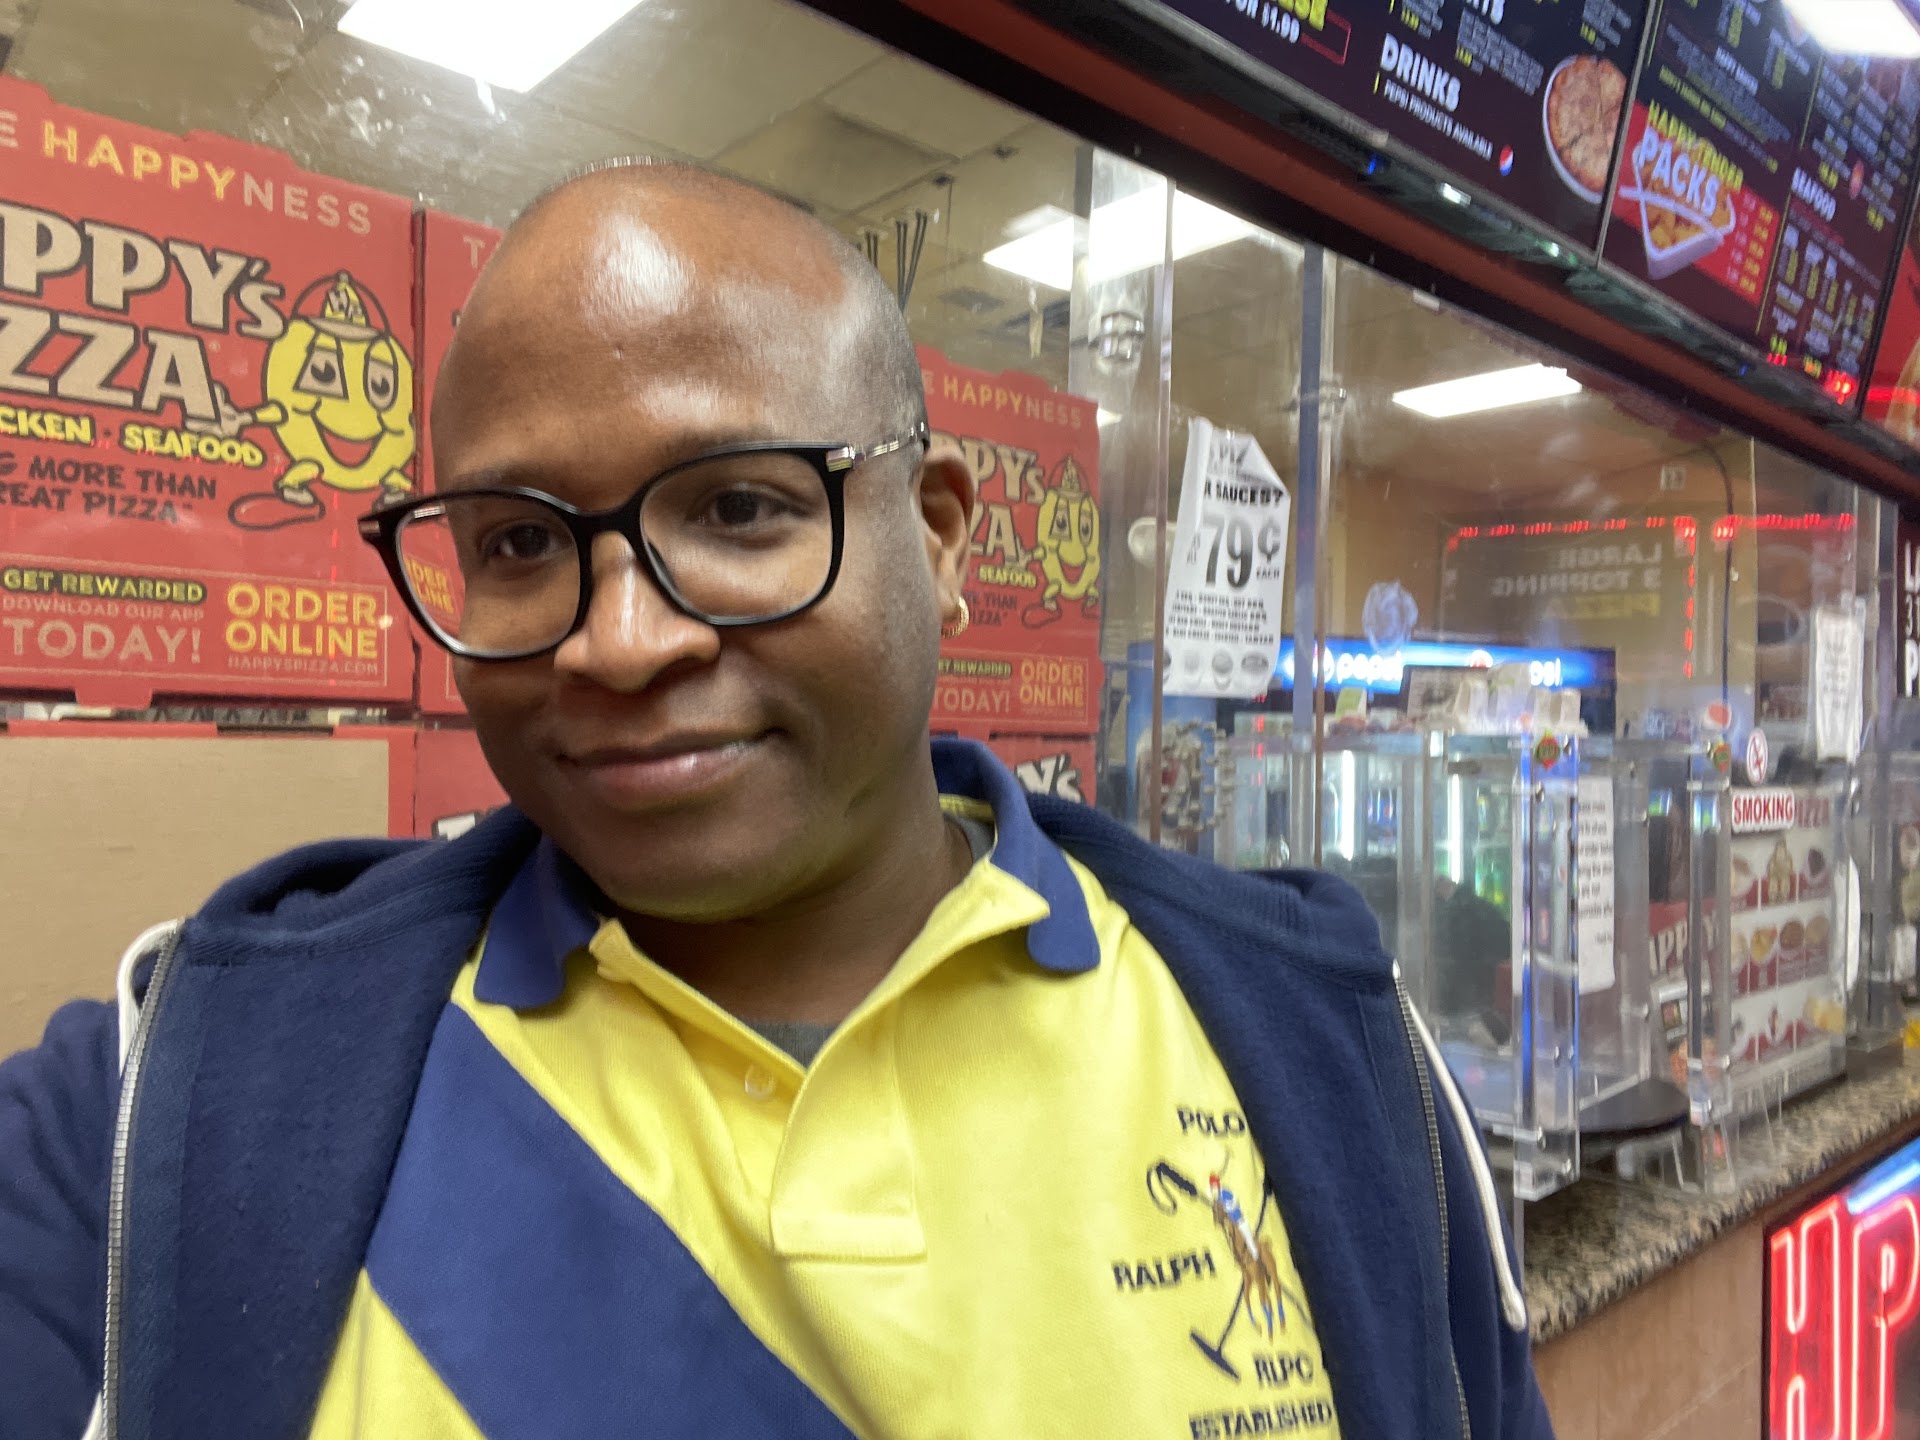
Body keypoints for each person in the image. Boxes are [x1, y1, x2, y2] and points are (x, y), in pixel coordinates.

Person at [0, 162, 1550, 1440]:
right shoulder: (165, 1115)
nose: (619, 644)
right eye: (520, 544)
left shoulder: (1323, 1054)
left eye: (739, 507)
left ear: (937, 535)